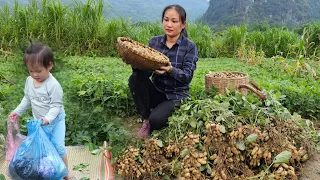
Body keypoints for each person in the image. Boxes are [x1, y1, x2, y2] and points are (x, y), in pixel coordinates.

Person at [128, 4, 198, 138]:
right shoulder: (154, 42)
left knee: (157, 121)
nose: (169, 24)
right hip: (157, 91)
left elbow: (187, 76)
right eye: (166, 20)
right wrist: (137, 65)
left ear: (183, 24)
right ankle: (146, 119)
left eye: (174, 21)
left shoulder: (189, 47)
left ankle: (156, 116)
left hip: (176, 96)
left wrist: (171, 70)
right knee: (135, 78)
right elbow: (147, 72)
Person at [8, 42, 74, 180]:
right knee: (43, 148)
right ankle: (49, 171)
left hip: (55, 122)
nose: (35, 74)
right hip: (40, 123)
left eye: (38, 71)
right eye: (31, 71)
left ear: (49, 65)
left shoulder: (53, 85)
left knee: (58, 147)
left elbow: (56, 106)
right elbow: (27, 99)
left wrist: (48, 119)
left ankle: (66, 172)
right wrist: (17, 112)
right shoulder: (29, 81)